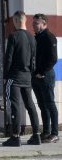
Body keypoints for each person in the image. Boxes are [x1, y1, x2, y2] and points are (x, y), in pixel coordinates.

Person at [2, 10, 40, 147]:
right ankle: (36, 135)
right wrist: (31, 73)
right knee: (30, 105)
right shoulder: (32, 37)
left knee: (15, 106)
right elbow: (34, 59)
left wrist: (5, 76)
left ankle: (15, 137)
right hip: (27, 76)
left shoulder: (14, 36)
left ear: (17, 21)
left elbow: (8, 58)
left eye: (14, 21)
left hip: (14, 77)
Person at [32, 13, 59, 143]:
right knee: (42, 105)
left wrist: (41, 72)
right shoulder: (36, 38)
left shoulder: (49, 37)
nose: (34, 25)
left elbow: (53, 58)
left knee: (50, 105)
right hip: (36, 76)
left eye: (36, 23)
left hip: (46, 75)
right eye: (33, 23)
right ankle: (46, 132)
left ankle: (54, 133)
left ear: (44, 24)